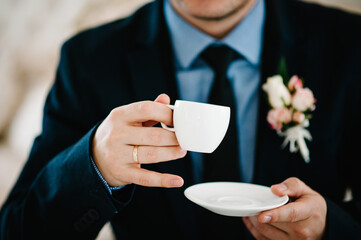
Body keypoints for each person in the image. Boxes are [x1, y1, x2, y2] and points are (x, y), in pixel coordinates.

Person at [1, 0, 361, 239]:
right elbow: (15, 230)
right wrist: (91, 164)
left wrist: (331, 229)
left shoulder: (347, 44)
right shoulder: (89, 61)